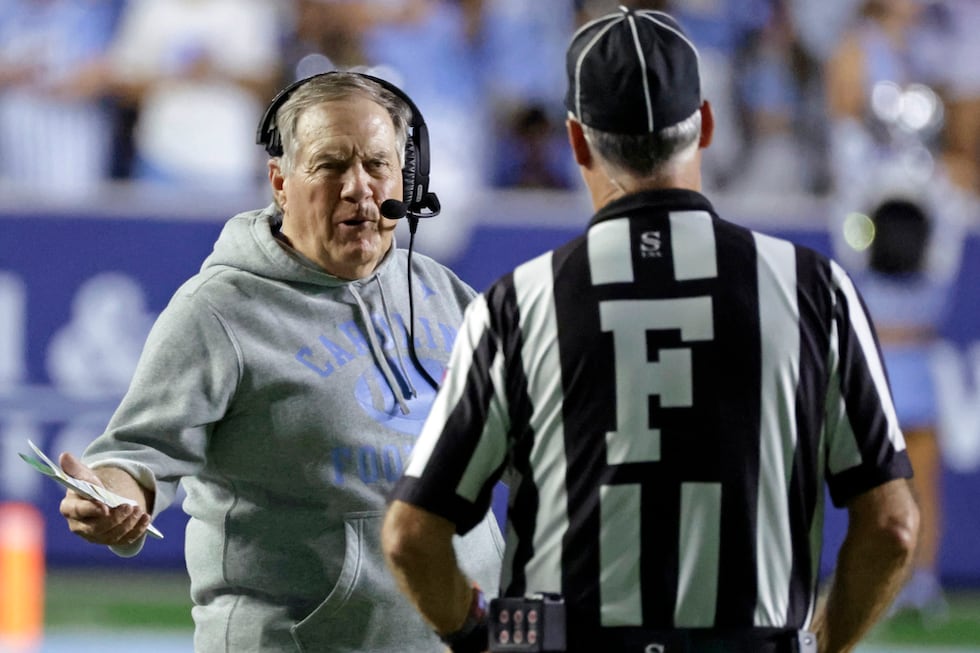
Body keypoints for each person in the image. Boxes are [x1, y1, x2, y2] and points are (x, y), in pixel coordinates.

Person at [382, 8, 919, 653]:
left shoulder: (516, 304)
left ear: (577, 140)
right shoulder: (814, 289)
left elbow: (411, 535)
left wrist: (476, 635)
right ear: (706, 125)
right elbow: (892, 527)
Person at [56, 71, 503, 653]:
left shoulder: (444, 294)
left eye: (377, 165)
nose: (359, 188)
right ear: (280, 183)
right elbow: (138, 454)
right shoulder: (217, 311)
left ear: (407, 180)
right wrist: (114, 497)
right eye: (331, 165)